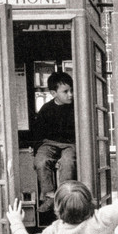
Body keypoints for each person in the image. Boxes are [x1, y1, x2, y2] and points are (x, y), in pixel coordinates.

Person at [32, 71, 76, 213]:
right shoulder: (46, 109)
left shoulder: (77, 107)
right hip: (49, 143)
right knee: (41, 161)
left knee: (68, 163)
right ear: (53, 93)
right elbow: (38, 131)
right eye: (66, 91)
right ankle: (49, 197)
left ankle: (65, 199)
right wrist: (37, 147)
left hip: (70, 143)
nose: (71, 94)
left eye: (72, 90)